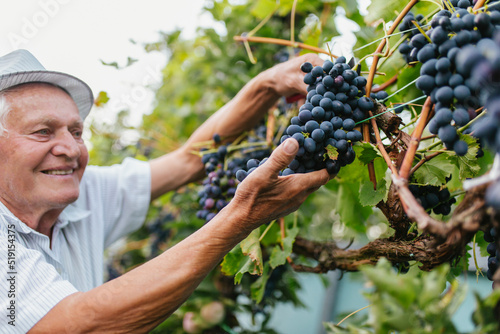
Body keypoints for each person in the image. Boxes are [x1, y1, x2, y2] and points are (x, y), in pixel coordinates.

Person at [0, 49, 331, 333]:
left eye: (76, 131)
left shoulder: (81, 193)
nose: (70, 149)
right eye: (43, 132)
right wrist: (240, 217)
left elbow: (190, 159)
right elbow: (82, 327)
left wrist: (268, 84)